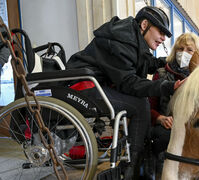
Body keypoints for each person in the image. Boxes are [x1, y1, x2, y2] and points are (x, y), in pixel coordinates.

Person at [66, 6, 183, 179]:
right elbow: (129, 83)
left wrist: (166, 62)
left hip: (97, 84)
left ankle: (138, 161)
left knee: (140, 102)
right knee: (140, 103)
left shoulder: (130, 38)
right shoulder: (121, 41)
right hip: (83, 87)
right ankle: (133, 166)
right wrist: (167, 86)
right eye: (160, 31)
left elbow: (143, 63)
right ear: (145, 25)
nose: (163, 38)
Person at [149, 32, 199, 177]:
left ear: (197, 54)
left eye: (189, 50)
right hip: (166, 127)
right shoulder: (161, 74)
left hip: (192, 128)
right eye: (180, 49)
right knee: (164, 139)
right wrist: (160, 118)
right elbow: (149, 107)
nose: (183, 53)